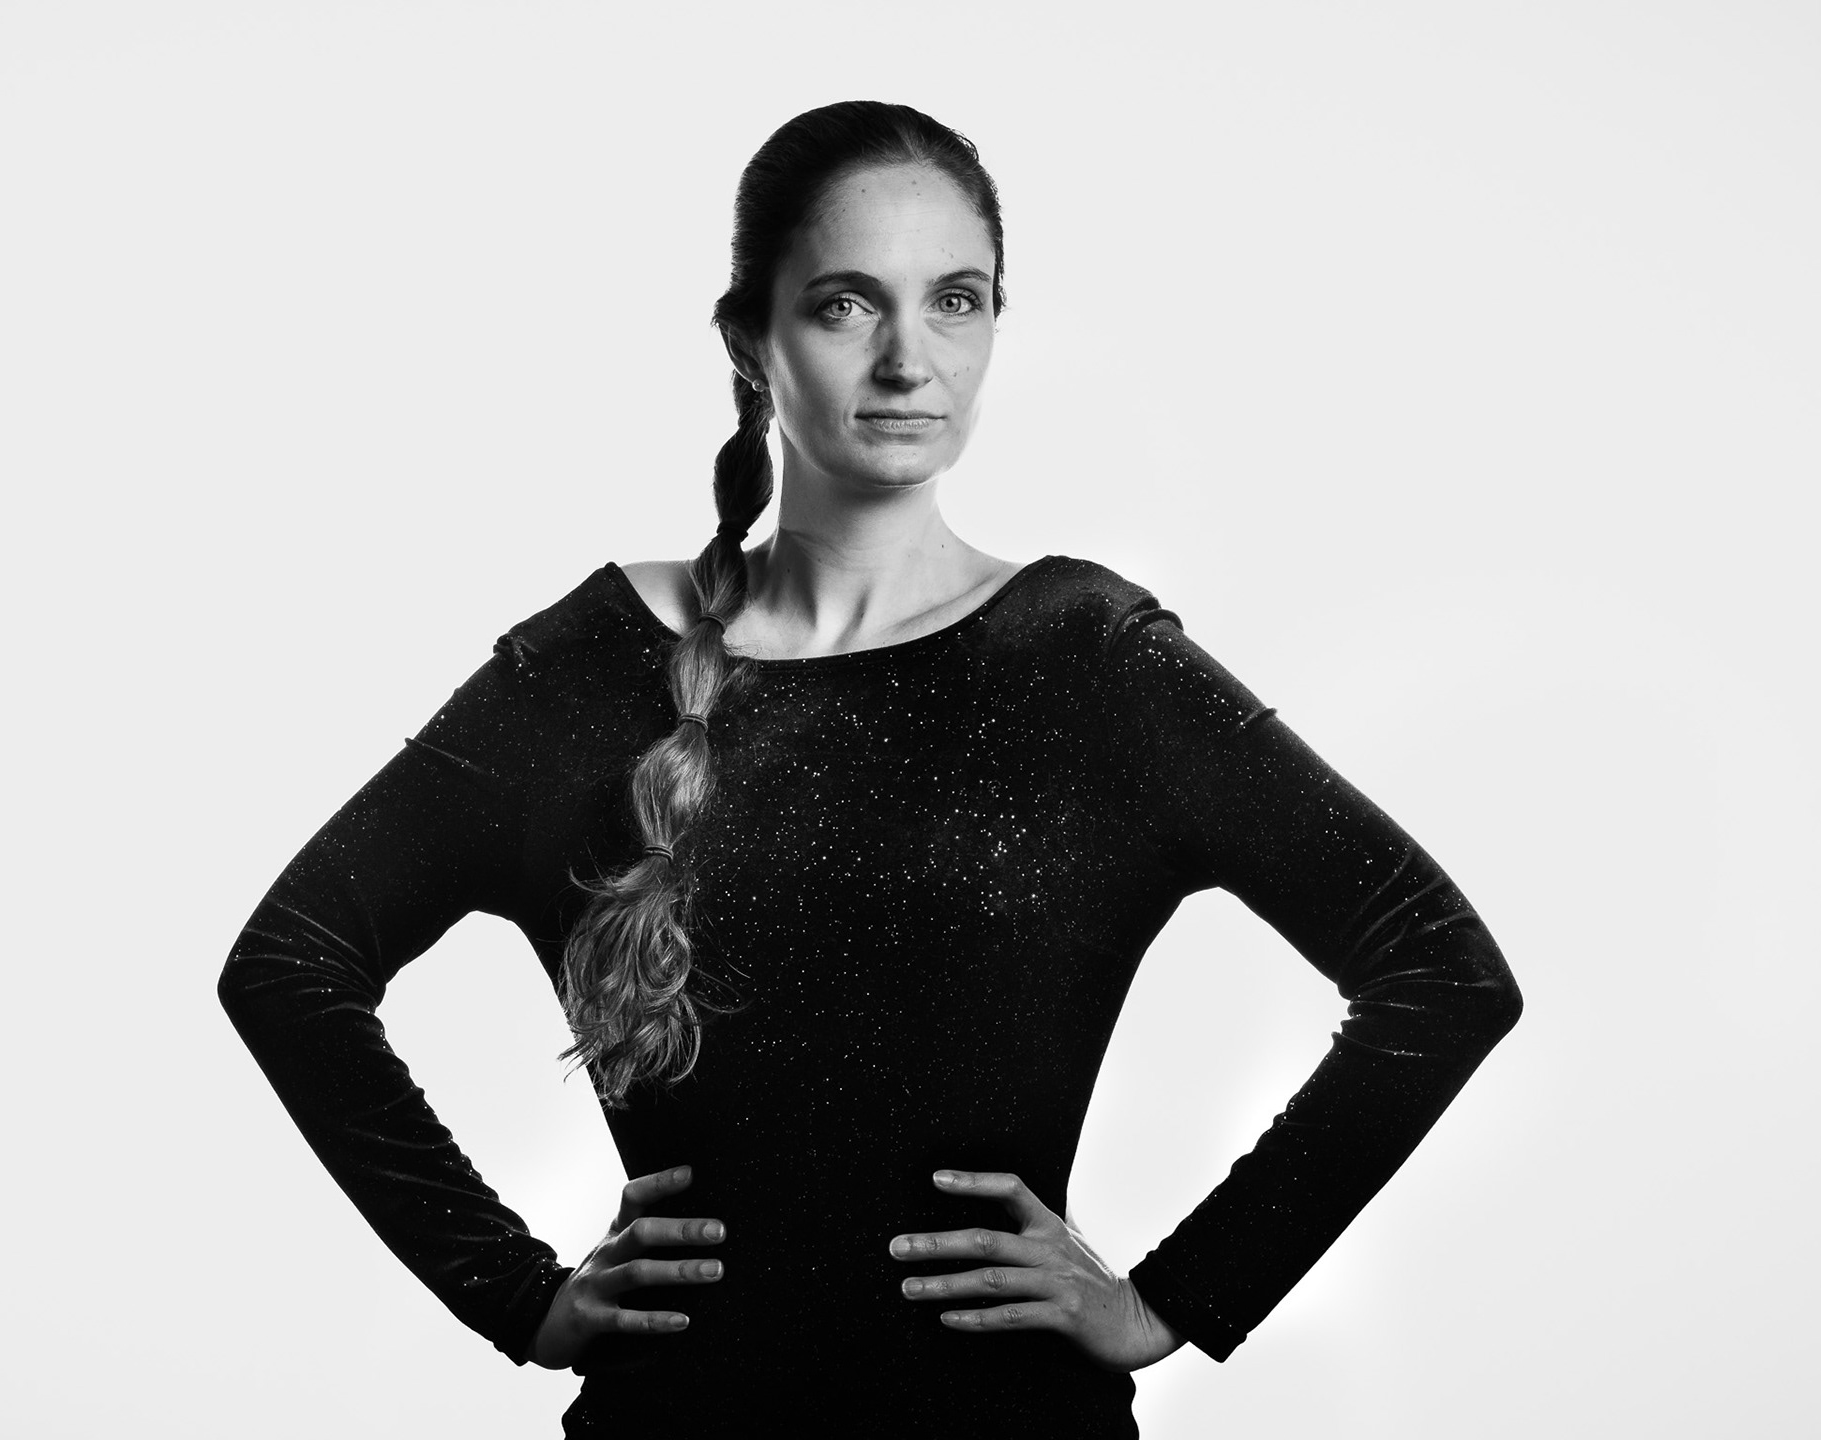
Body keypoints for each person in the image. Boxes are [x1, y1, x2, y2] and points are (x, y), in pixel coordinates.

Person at [219, 100, 1522, 1437]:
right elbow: (290, 966)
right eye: (846, 305)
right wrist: (512, 1294)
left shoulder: (1090, 661)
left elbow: (1441, 972)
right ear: (750, 342)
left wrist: (1178, 1297)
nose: (909, 360)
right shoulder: (589, 666)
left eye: (955, 302)